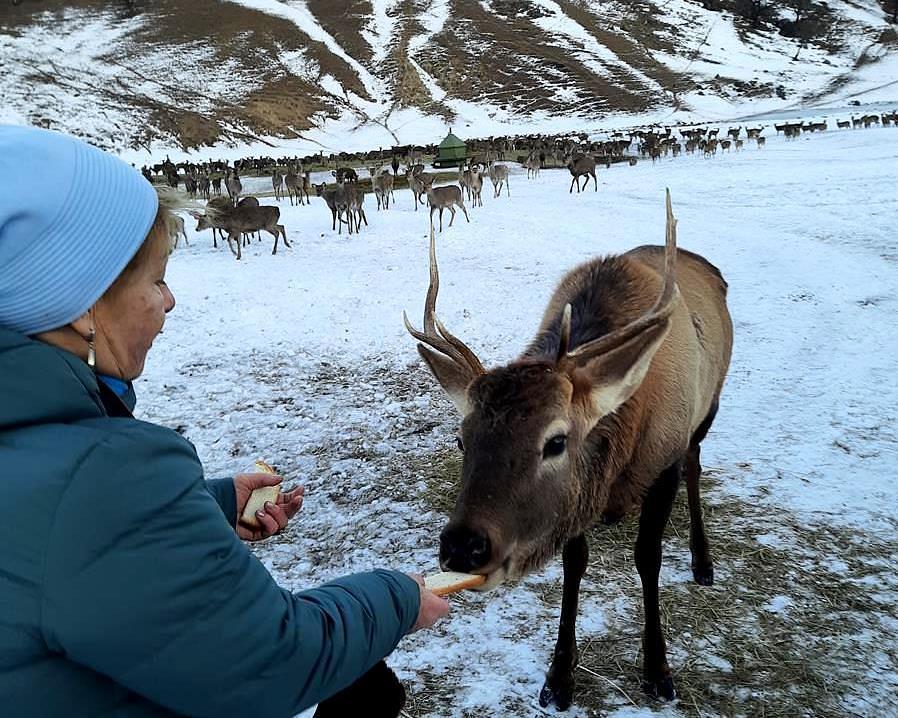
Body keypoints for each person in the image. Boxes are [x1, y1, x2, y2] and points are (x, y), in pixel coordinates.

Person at [0, 126, 450, 717]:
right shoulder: (108, 472)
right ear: (85, 305)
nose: (170, 300)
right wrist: (396, 598)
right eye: (156, 279)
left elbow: (44, 539)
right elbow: (273, 661)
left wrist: (200, 506)